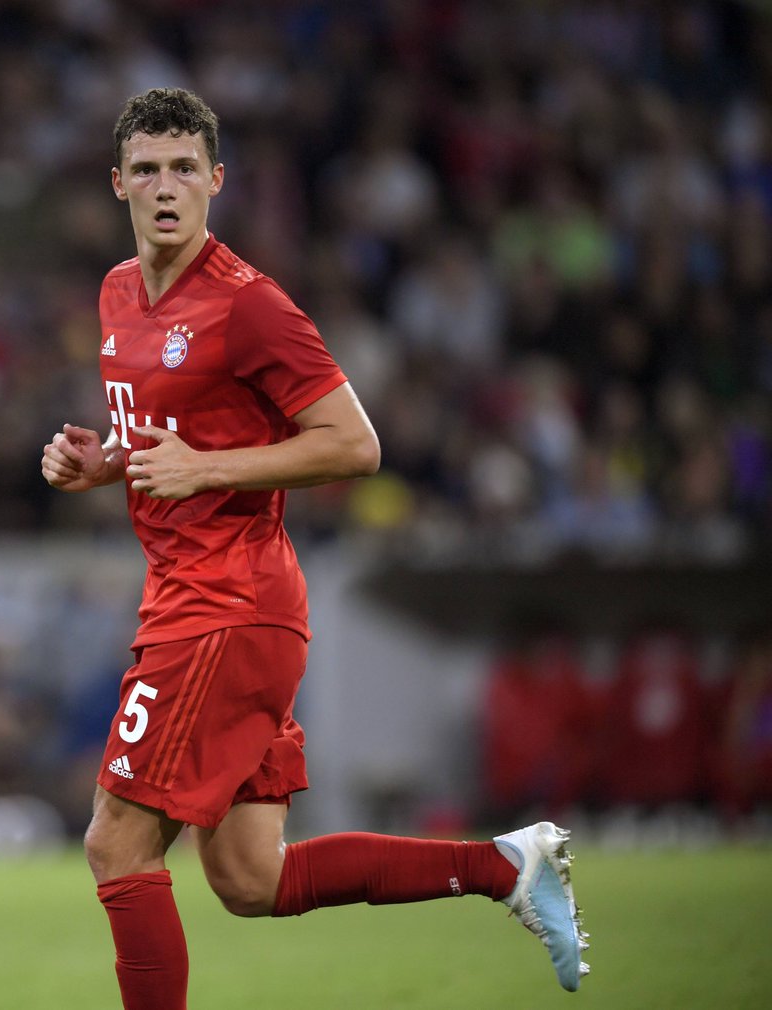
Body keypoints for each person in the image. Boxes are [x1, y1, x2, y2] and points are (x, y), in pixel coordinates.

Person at [40, 88, 589, 1008]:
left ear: (216, 181)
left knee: (115, 841)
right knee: (252, 880)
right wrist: (104, 466)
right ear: (117, 184)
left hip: (224, 605)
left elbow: (355, 444)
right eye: (147, 170)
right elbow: (169, 442)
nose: (165, 187)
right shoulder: (115, 295)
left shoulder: (249, 306)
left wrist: (209, 471)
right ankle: (505, 866)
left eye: (184, 169)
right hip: (214, 600)